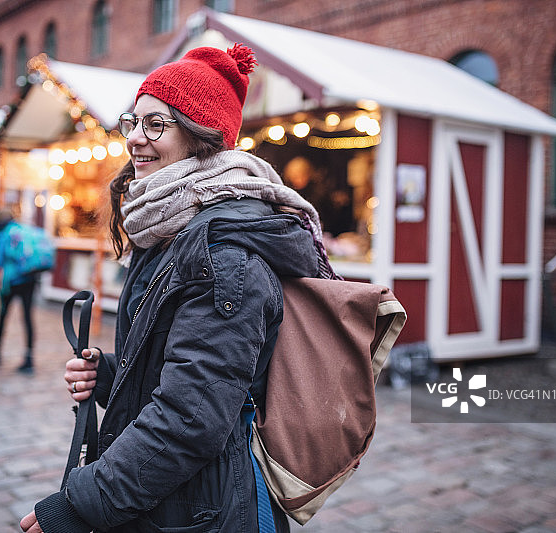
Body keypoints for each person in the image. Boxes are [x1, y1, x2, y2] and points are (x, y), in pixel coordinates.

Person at [21, 45, 327, 533]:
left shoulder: (224, 255)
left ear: (201, 137)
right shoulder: (167, 228)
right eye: (133, 122)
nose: (136, 139)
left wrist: (80, 505)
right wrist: (111, 377)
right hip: (169, 500)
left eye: (156, 124)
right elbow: (186, 371)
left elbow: (191, 418)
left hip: (200, 511)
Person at [0, 207, 41, 373]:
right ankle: (29, 357)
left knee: (2, 315)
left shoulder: (3, 235)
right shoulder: (22, 230)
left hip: (11, 282)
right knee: (28, 318)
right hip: (29, 279)